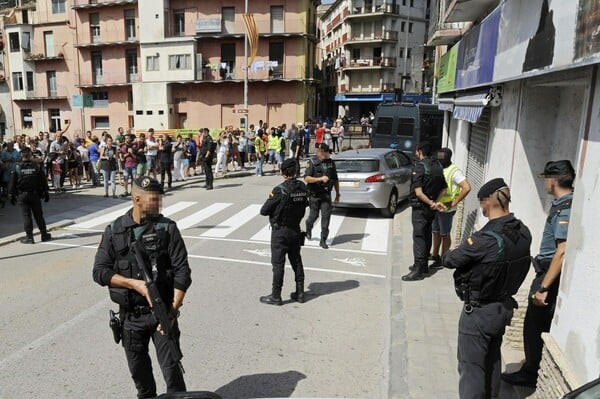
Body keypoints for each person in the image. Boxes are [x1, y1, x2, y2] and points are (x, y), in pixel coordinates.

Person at [92, 176, 192, 398]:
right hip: (130, 318)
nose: (159, 204)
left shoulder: (167, 229)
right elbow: (99, 272)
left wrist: (172, 311)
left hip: (163, 313)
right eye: (154, 200)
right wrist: (133, 284)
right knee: (141, 379)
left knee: (173, 375)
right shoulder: (115, 231)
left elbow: (183, 272)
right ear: (137, 199)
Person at [443, 178, 532, 399]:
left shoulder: (485, 239)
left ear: (488, 202)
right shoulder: (523, 231)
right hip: (502, 308)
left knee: (472, 368)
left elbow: (451, 260)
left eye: (481, 203)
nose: (481, 208)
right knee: (492, 361)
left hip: (479, 312)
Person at [501, 160, 575, 389]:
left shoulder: (566, 208)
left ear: (553, 180)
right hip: (546, 273)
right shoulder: (562, 204)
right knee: (536, 325)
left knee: (533, 326)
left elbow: (562, 251)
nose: (544, 182)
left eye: (545, 178)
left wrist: (543, 287)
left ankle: (530, 373)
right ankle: (531, 368)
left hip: (548, 277)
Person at [259, 158, 309, 305]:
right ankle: (300, 293)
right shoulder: (302, 187)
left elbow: (264, 210)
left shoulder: (280, 190)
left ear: (282, 172)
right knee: (296, 261)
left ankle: (276, 295)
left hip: (280, 231)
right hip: (295, 229)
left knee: (278, 264)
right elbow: (305, 204)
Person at [402, 141, 446, 281]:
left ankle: (418, 269)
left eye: (416, 150)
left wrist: (431, 203)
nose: (416, 153)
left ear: (419, 151)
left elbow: (419, 192)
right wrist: (436, 203)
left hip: (421, 207)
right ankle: (423, 265)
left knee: (419, 237)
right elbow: (444, 188)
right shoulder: (437, 166)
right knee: (427, 234)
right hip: (431, 208)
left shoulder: (420, 167)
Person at [430, 148, 472, 268]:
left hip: (446, 210)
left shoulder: (454, 171)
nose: (440, 160)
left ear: (448, 158)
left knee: (445, 234)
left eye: (442, 159)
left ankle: (443, 259)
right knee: (436, 232)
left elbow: (467, 187)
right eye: (439, 158)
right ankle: (435, 255)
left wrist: (454, 202)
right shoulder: (440, 168)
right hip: (437, 206)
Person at [8, 147, 51, 244]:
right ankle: (44, 234)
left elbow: (12, 182)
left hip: (22, 195)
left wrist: (11, 194)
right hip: (35, 194)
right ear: (30, 155)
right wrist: (46, 192)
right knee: (39, 215)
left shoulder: (17, 167)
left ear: (21, 156)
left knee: (26, 216)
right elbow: (43, 180)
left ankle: (30, 237)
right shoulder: (37, 166)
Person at [304, 143, 340, 249]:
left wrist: (338, 194)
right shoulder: (312, 163)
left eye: (328, 152)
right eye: (325, 152)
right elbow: (306, 178)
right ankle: (308, 227)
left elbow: (335, 179)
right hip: (314, 195)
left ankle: (323, 239)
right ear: (319, 152)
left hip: (326, 196)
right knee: (313, 216)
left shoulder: (331, 163)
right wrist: (319, 179)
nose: (328, 154)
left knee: (326, 217)